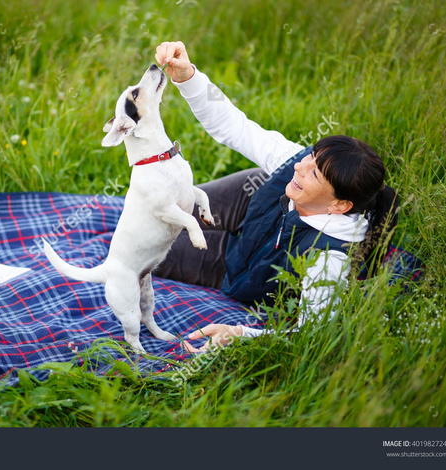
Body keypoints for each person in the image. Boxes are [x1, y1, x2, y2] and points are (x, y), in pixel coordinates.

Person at [153, 41, 398, 352]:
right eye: (310, 157)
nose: (299, 166)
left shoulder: (329, 261)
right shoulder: (298, 165)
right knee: (156, 213)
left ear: (340, 204)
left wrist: (240, 334)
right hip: (256, 201)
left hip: (236, 266)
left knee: (144, 249)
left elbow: (311, 335)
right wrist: (187, 76)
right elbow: (233, 127)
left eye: (314, 173)